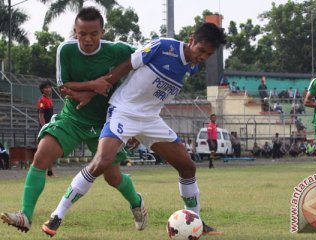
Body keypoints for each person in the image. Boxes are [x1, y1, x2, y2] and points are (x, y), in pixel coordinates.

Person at [44, 22, 227, 235]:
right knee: (101, 162)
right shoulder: (163, 46)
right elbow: (126, 66)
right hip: (123, 110)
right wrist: (92, 92)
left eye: (208, 54)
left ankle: (196, 222)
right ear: (191, 40)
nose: (202, 56)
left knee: (188, 167)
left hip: (150, 119)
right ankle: (57, 215)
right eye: (201, 50)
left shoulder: (192, 66)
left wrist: (141, 134)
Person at [1, 7, 146, 236]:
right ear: (75, 32)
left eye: (94, 34)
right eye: (82, 34)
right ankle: (26, 215)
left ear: (102, 32)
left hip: (107, 121)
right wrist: (95, 86)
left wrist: (133, 116)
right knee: (41, 154)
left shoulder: (117, 50)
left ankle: (137, 202)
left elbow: (144, 61)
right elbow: (63, 87)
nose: (88, 39)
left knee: (113, 177)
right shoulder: (65, 50)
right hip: (74, 116)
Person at [37, 80, 55, 177]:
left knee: (50, 151)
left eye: (49, 87)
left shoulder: (50, 100)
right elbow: (41, 116)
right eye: (46, 87)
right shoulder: (42, 101)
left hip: (50, 127)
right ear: (42, 90)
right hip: (45, 129)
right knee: (43, 151)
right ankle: (40, 172)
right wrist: (44, 127)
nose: (49, 89)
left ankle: (50, 172)